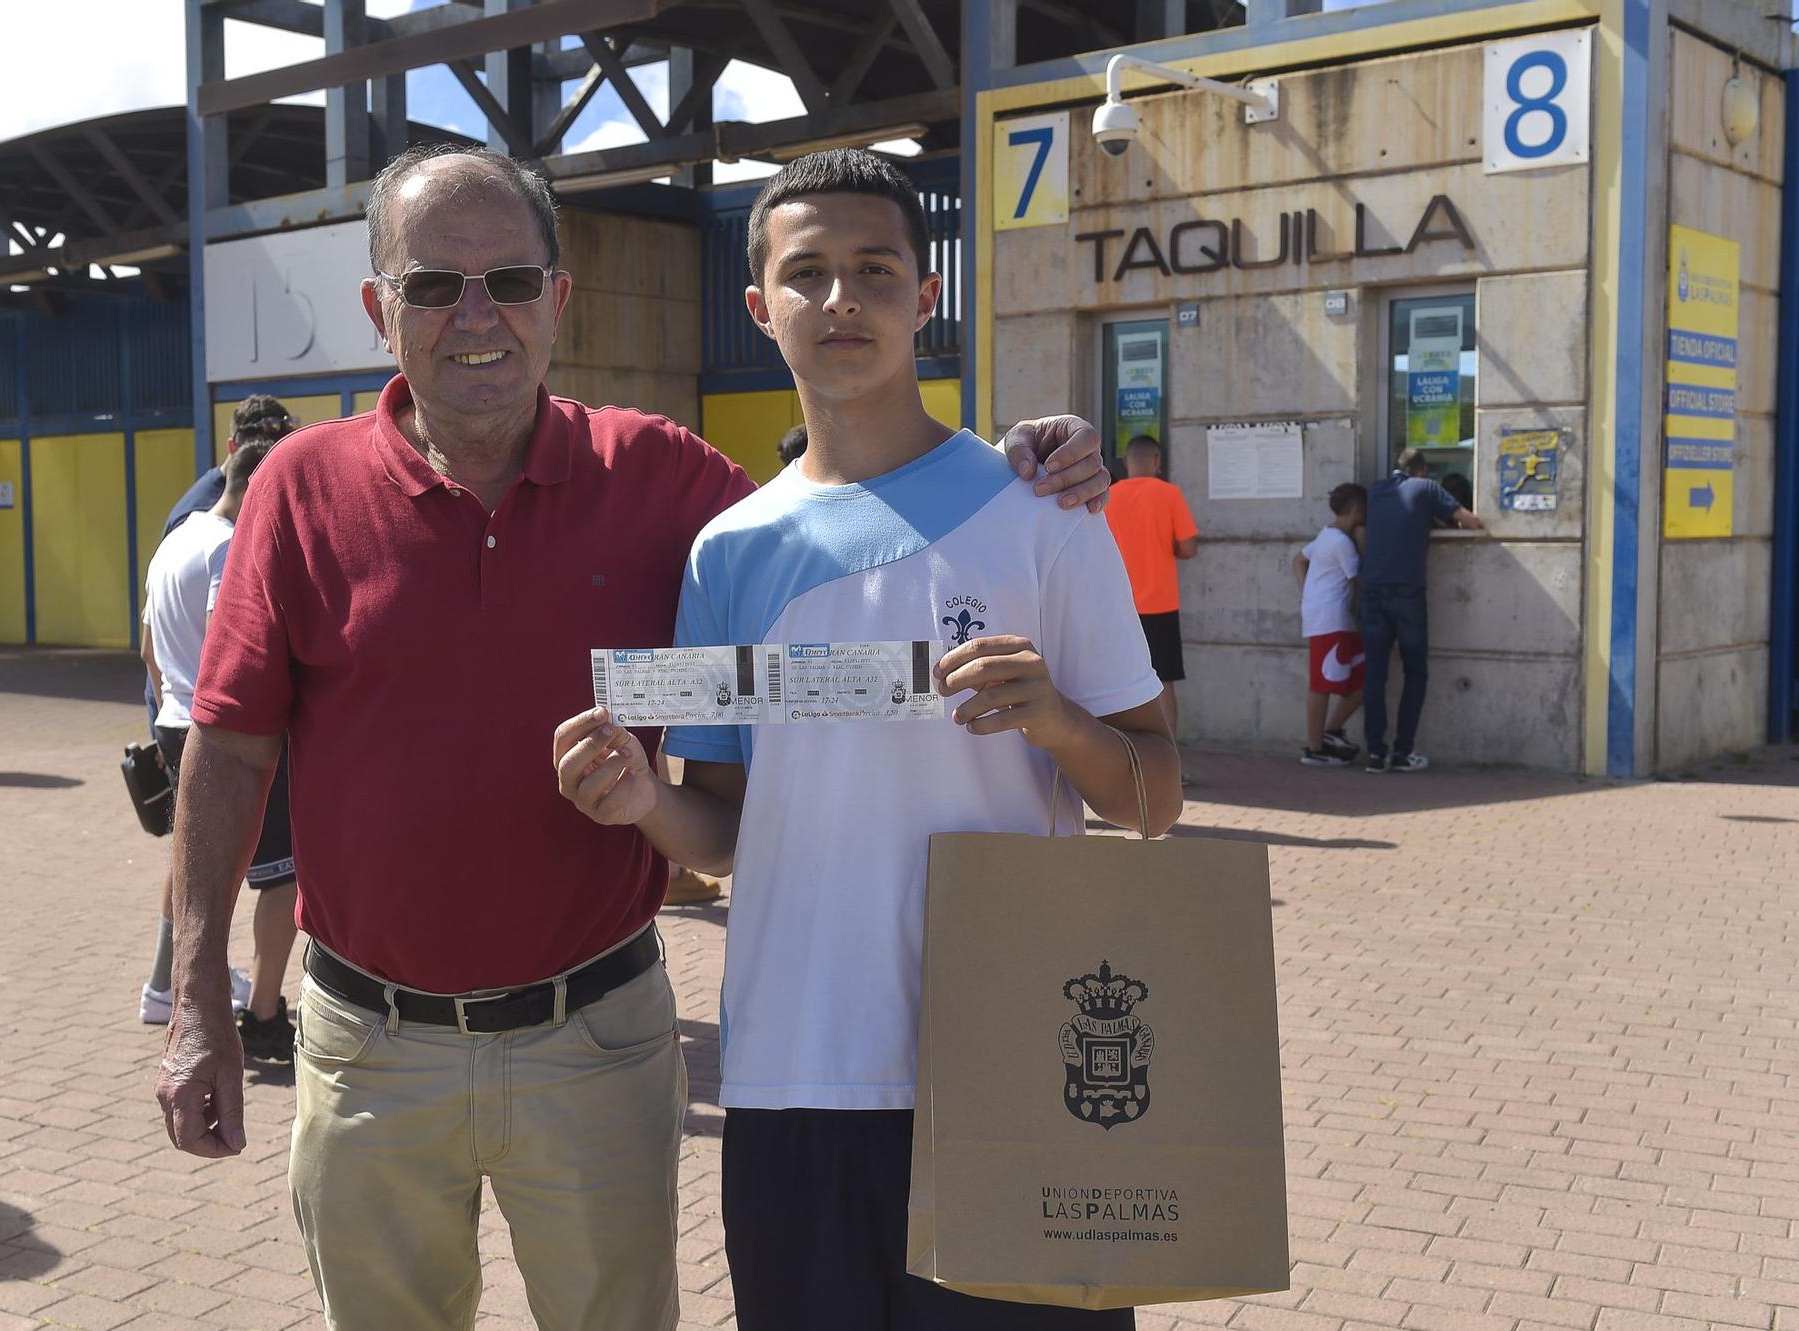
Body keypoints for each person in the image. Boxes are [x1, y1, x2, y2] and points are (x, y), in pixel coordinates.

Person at [153, 140, 1111, 1331]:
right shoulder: (301, 485)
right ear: (376, 308)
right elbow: (230, 749)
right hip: (369, 1047)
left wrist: (1028, 464)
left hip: (594, 1037)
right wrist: (199, 996)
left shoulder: (660, 478)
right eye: (432, 285)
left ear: (557, 299)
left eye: (508, 280)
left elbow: (843, 504)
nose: (476, 315)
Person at [552, 148, 1184, 1331]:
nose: (840, 299)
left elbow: (1152, 798)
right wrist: (641, 802)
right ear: (760, 309)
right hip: (794, 1070)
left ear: (924, 294)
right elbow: (721, 836)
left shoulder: (1042, 513)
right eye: (808, 273)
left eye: (874, 269)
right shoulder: (727, 549)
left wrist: (1053, 718)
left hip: (1012, 1064)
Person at [137, 427, 299, 1059]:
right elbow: (226, 648)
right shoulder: (230, 548)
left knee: (196, 857)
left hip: (176, 719)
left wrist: (166, 714)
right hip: (230, 729)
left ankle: (173, 988)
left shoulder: (175, 541)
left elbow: (148, 648)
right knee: (280, 877)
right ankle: (264, 1012)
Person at [144, 396, 299, 731]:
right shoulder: (208, 525)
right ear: (234, 448)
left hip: (181, 714)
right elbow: (220, 641)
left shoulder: (207, 522)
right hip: (200, 717)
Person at [1361, 448, 1483, 773]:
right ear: (1422, 470)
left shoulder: (1375, 490)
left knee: (1374, 674)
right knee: (1415, 671)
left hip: (1371, 591)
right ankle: (1403, 752)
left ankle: (1374, 753)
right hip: (1406, 592)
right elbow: (1469, 520)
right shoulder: (1426, 488)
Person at [1102, 433, 1198, 738]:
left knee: (1116, 681)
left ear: (1126, 461)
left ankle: (1123, 757)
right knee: (1163, 680)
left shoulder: (1108, 497)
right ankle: (1169, 761)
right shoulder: (1169, 493)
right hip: (1160, 604)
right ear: (1157, 461)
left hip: (1118, 605)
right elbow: (1189, 547)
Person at [1292, 482, 1367, 765]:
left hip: (1334, 618)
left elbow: (1298, 560)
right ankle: (1314, 748)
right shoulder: (1342, 542)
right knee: (1321, 685)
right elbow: (1359, 578)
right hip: (1330, 619)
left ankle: (1331, 731)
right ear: (1358, 511)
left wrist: (1307, 592)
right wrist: (1362, 543)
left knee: (1363, 679)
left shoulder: (1326, 535)